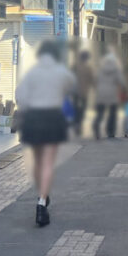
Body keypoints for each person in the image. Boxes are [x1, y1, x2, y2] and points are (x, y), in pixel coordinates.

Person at [14, 39, 76, 226]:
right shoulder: (61, 72)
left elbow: (20, 96)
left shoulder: (31, 73)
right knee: (48, 162)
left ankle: (41, 192)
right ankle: (42, 203)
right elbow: (72, 89)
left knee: (38, 161)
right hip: (52, 118)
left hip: (33, 118)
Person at [93, 50, 125, 139]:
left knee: (100, 112)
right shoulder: (116, 70)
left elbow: (95, 80)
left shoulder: (100, 70)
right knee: (112, 114)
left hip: (101, 93)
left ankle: (96, 125)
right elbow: (122, 82)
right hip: (112, 94)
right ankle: (110, 132)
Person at [73, 48, 95, 137]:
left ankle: (76, 123)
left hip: (75, 92)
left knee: (76, 108)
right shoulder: (88, 68)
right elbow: (92, 80)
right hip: (84, 93)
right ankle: (79, 124)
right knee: (82, 109)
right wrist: (95, 87)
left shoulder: (75, 67)